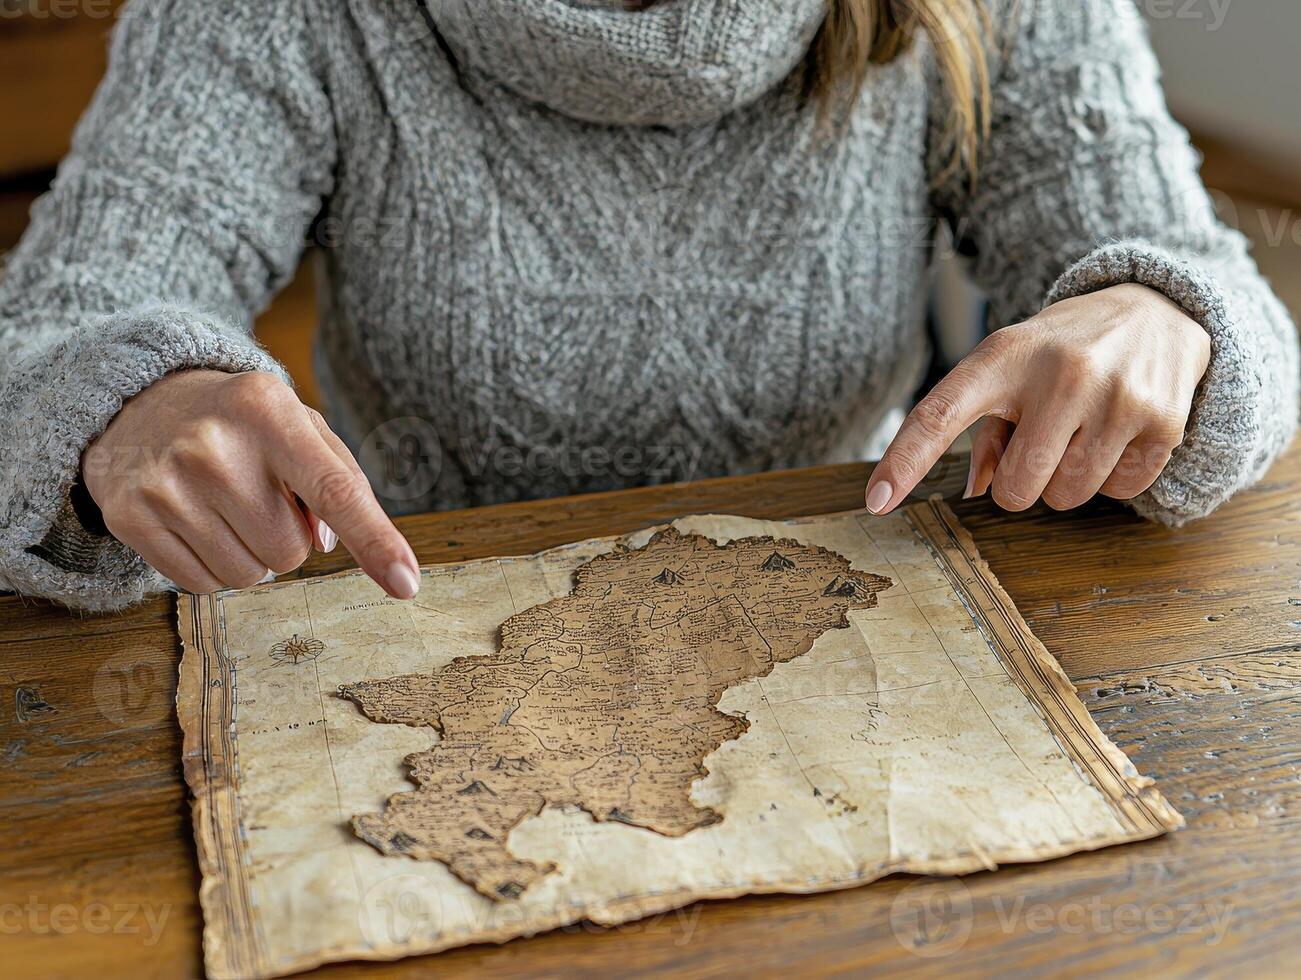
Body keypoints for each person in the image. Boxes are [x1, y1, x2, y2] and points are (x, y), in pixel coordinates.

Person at [0, 0, 1296, 612]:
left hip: (844, 642)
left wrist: (1161, 316)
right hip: (412, 640)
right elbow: (51, 340)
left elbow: (1209, 300)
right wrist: (125, 405)